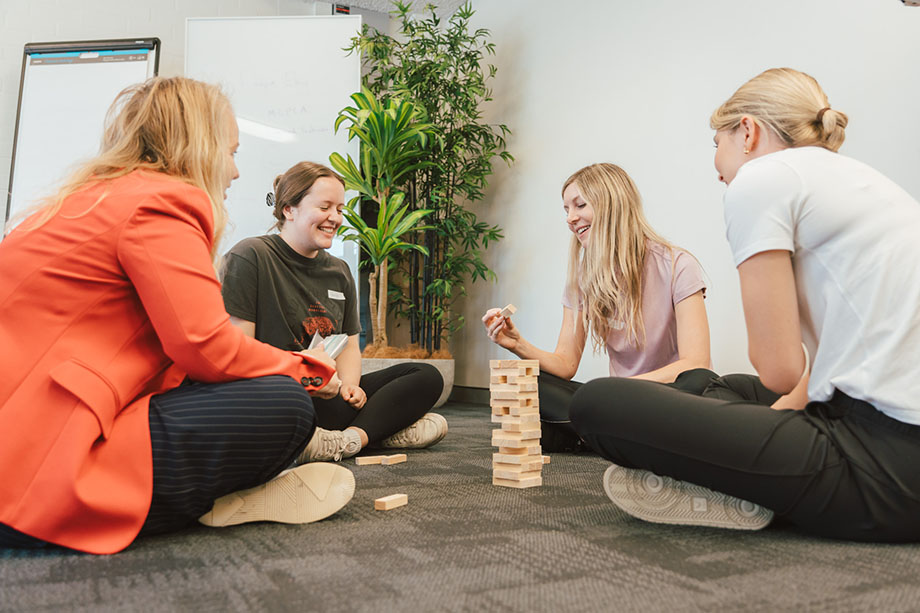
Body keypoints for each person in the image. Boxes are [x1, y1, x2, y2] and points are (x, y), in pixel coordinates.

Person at [0, 77, 356, 555]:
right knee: (283, 402)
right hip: (35, 470)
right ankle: (216, 501)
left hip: (26, 427)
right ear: (200, 145)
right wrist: (308, 371)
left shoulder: (87, 198)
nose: (233, 172)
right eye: (231, 152)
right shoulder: (163, 202)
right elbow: (206, 347)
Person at [571, 67, 920, 542]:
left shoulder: (760, 180)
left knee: (597, 402)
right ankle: (750, 474)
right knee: (728, 386)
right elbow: (814, 376)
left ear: (748, 131)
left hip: (888, 474)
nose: (716, 164)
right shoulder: (864, 182)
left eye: (717, 142)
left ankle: (747, 488)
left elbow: (780, 371)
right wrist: (754, 436)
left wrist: (734, 446)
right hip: (884, 431)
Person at [220, 161, 447, 463]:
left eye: (339, 209)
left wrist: (350, 387)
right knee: (287, 404)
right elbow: (240, 350)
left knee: (425, 375)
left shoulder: (339, 270)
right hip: (281, 393)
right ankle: (383, 431)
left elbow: (349, 343)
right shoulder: (250, 256)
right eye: (325, 207)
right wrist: (306, 379)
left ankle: (351, 440)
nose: (335, 218)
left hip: (329, 392)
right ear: (289, 209)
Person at [482, 163, 712, 452]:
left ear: (612, 204)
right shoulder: (581, 278)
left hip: (665, 396)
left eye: (580, 205)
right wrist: (517, 344)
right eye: (566, 209)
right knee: (529, 383)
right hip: (615, 402)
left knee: (702, 382)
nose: (570, 218)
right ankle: (616, 435)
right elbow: (565, 364)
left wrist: (616, 391)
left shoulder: (678, 265)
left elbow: (696, 363)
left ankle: (591, 433)